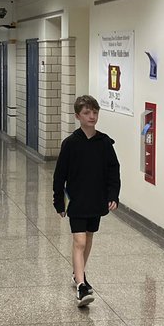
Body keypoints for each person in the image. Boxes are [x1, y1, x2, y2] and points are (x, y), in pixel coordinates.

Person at [53, 94, 120, 307]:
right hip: (76, 200)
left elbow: (113, 171)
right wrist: (59, 201)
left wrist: (113, 195)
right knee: (79, 241)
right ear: (77, 116)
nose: (92, 116)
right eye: (86, 113)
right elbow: (59, 175)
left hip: (96, 200)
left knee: (88, 238)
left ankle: (77, 273)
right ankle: (82, 287)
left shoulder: (104, 143)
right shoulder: (70, 144)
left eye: (94, 112)